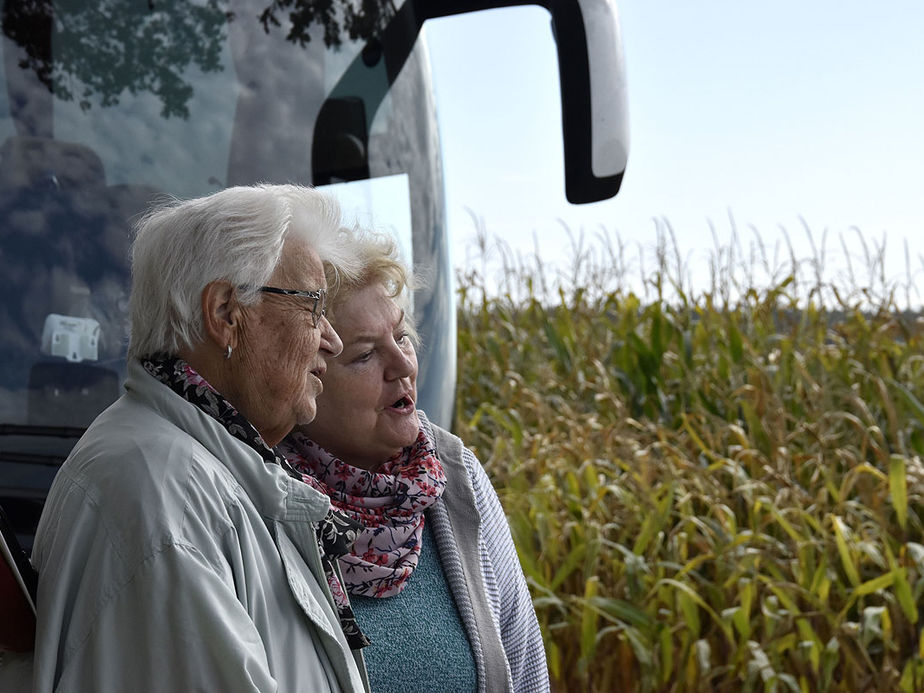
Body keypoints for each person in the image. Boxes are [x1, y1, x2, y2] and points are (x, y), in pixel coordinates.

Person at [29, 184, 370, 692]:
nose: (332, 338)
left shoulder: (195, 472)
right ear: (226, 314)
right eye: (314, 305)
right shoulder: (165, 494)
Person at [280, 228, 550, 693]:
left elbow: (525, 671)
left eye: (401, 337)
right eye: (365, 354)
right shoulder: (259, 497)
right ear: (305, 379)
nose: (402, 365)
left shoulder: (455, 474)